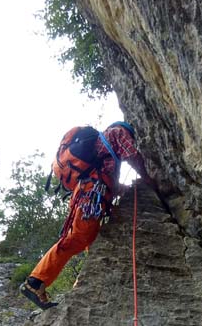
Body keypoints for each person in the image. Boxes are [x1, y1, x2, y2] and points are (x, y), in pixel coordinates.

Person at [20, 121, 153, 309]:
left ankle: (81, 288)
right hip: (91, 195)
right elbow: (133, 156)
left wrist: (124, 189)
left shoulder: (103, 153)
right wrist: (151, 179)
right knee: (77, 238)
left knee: (92, 243)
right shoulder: (118, 132)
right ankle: (35, 282)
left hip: (87, 194)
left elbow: (108, 180)